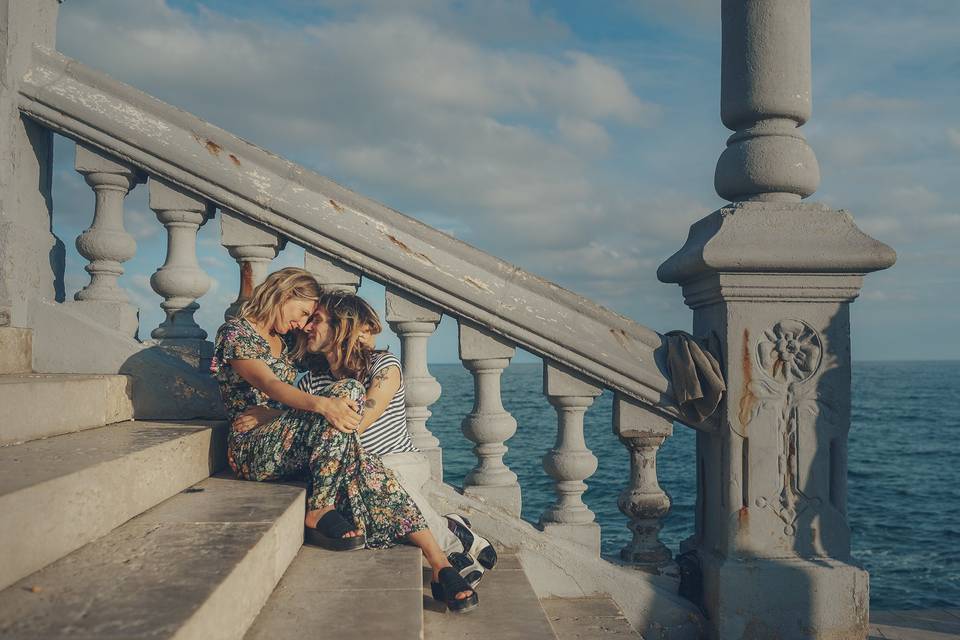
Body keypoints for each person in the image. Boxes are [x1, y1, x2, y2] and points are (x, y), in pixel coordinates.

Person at [211, 268, 477, 612]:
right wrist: (322, 405)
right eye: (303, 313)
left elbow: (352, 332)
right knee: (348, 403)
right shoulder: (236, 333)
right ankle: (324, 509)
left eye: (311, 317)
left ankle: (439, 563)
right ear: (283, 293)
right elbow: (270, 385)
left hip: (295, 434)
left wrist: (285, 413)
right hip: (253, 444)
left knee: (356, 448)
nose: (304, 324)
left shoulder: (290, 338)